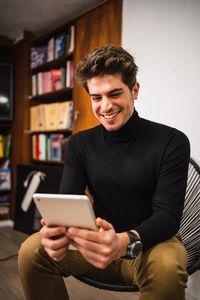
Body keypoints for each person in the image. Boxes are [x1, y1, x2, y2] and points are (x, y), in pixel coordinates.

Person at [18, 45, 190, 300]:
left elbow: (168, 215)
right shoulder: (79, 144)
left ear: (135, 90)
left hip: (149, 244)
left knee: (168, 266)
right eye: (96, 98)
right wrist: (57, 233)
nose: (105, 106)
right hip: (95, 244)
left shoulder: (172, 141)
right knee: (31, 251)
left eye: (114, 94)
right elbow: (69, 203)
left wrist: (124, 241)